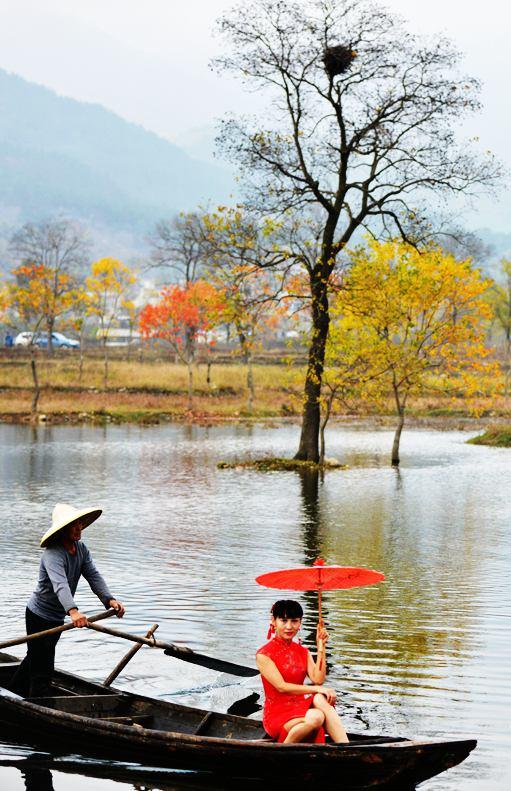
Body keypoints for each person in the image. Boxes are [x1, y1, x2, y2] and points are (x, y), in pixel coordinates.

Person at [11, 502, 125, 698]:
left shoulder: (81, 549)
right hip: (38, 615)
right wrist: (73, 611)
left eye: (79, 523)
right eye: (73, 525)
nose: (78, 528)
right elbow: (60, 584)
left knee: (36, 658)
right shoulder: (53, 553)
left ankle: (12, 691)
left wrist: (109, 600)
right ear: (62, 530)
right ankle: (39, 704)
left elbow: (93, 575)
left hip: (56, 617)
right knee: (43, 668)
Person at [256, 599, 349, 744]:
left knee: (319, 699)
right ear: (273, 621)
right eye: (284, 620)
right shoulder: (264, 654)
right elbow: (282, 687)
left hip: (300, 708)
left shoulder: (302, 651)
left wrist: (321, 645)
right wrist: (317, 689)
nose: (289, 626)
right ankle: (284, 749)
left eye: (294, 621)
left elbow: (318, 679)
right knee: (317, 715)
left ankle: (346, 747)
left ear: (300, 623)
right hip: (277, 714)